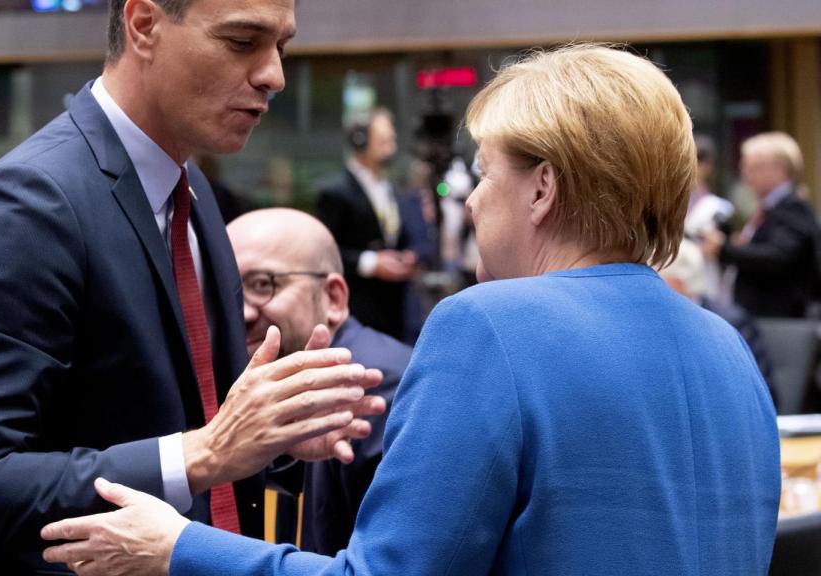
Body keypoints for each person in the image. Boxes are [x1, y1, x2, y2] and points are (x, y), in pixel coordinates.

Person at [41, 45, 780, 576]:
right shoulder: (729, 350)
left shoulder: (489, 326)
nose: (470, 199)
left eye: (485, 175)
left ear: (544, 187)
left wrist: (175, 548)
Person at [0, 0, 384, 573]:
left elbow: (159, 419)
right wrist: (204, 453)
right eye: (243, 41)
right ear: (143, 25)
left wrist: (270, 437)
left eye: (281, 47)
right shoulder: (28, 203)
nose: (274, 75)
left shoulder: (192, 193)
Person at [228, 208, 412, 554]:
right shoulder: (293, 382)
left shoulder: (377, 386)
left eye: (263, 284)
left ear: (334, 298)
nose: (243, 312)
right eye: (230, 292)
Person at [317, 107, 417, 341]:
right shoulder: (334, 192)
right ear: (360, 140)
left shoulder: (389, 187)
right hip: (358, 308)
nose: (391, 145)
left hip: (394, 308)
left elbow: (393, 233)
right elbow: (324, 251)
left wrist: (405, 255)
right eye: (383, 139)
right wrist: (371, 263)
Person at [703, 132, 820, 318]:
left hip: (779, 321)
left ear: (779, 170)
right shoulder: (770, 209)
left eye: (754, 168)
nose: (746, 176)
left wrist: (725, 249)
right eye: (745, 168)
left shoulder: (793, 208)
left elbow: (777, 257)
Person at [659, 239, 776, 407]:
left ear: (680, 282)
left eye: (659, 278)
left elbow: (761, 391)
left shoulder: (732, 323)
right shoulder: (659, 324)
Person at [684, 134, 733, 299]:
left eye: (697, 160)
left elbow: (726, 252)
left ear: (708, 166)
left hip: (707, 283)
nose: (691, 167)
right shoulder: (666, 205)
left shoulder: (720, 208)